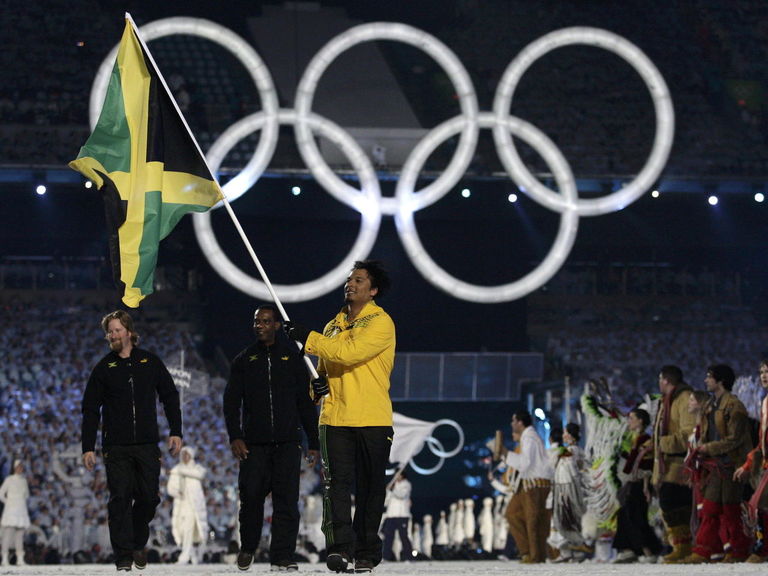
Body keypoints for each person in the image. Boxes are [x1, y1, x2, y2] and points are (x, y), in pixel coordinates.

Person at [285, 260, 395, 574]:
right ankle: (338, 550)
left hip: (372, 417)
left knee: (371, 487)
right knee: (335, 487)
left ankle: (366, 553)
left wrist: (309, 337)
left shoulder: (381, 323)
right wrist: (315, 388)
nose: (350, 284)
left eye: (359, 280)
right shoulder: (333, 326)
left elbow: (349, 354)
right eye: (349, 280)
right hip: (334, 419)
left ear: (372, 290)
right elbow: (321, 372)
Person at [81, 310, 183, 572]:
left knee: (149, 497)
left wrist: (176, 430)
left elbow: (170, 395)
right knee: (120, 499)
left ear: (128, 331)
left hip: (148, 444)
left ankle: (138, 541)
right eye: (109, 331)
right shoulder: (104, 367)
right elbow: (90, 408)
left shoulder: (150, 362)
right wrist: (88, 447)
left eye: (116, 330)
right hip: (115, 446)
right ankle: (123, 555)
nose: (112, 335)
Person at [223, 304, 320, 572]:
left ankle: (282, 556)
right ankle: (249, 546)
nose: (260, 326)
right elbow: (231, 403)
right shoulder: (243, 360)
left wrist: (314, 442)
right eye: (257, 321)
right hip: (254, 445)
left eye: (266, 321)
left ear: (277, 325)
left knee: (287, 502)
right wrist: (235, 436)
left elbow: (305, 403)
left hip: (288, 444)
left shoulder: (293, 358)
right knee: (251, 497)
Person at [684, 364, 752, 563]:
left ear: (720, 380)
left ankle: (738, 550)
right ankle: (703, 551)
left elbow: (735, 439)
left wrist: (708, 448)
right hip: (715, 466)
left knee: (730, 511)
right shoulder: (711, 406)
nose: (706, 380)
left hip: (732, 466)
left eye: (709, 377)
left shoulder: (734, 406)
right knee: (710, 509)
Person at [651, 365, 696, 563]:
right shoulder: (669, 400)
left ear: (665, 380)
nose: (659, 384)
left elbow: (690, 432)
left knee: (674, 502)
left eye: (660, 380)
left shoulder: (684, 398)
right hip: (669, 462)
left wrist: (665, 443)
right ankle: (680, 545)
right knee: (672, 502)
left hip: (681, 461)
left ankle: (684, 545)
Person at [502, 410, 554, 564]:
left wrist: (506, 454)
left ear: (520, 422)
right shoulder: (528, 436)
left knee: (533, 521)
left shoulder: (530, 437)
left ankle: (535, 555)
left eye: (513, 421)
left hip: (535, 484)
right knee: (513, 514)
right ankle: (527, 552)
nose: (512, 424)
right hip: (528, 484)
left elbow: (525, 464)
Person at [612, 408, 662, 563]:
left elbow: (646, 466)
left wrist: (647, 486)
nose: (629, 421)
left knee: (636, 516)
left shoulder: (646, 440)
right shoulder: (636, 439)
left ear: (640, 420)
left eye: (632, 418)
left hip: (640, 485)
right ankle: (628, 549)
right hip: (633, 483)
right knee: (625, 515)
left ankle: (649, 550)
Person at [735, 359, 768, 563]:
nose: (764, 375)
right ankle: (762, 547)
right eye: (762, 371)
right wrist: (748, 464)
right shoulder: (765, 402)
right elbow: (762, 441)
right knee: (759, 504)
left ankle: (762, 549)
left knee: (759, 503)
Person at [549, 423, 589, 563]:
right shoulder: (567, 450)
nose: (563, 435)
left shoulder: (575, 450)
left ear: (571, 435)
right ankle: (567, 552)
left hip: (569, 488)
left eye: (566, 432)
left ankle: (577, 549)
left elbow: (578, 468)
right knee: (562, 519)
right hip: (561, 487)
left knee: (570, 518)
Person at [167, 446, 208, 565]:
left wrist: (179, 471)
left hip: (196, 506)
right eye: (183, 455)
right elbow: (170, 488)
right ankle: (187, 555)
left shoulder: (197, 468)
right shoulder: (177, 469)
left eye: (187, 454)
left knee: (197, 532)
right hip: (183, 505)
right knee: (185, 530)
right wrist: (177, 492)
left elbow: (200, 475)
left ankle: (191, 555)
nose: (185, 457)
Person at [0, 459, 30, 566]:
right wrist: (9, 502)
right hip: (11, 510)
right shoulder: (9, 479)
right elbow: (1, 494)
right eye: (18, 467)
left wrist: (19, 502)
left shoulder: (24, 480)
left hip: (21, 509)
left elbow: (26, 495)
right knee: (7, 535)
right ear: (14, 468)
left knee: (20, 535)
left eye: (21, 467)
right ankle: (4, 558)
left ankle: (20, 559)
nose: (19, 469)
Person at [381, 470, 413, 562]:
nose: (396, 477)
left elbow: (401, 495)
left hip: (402, 515)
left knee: (403, 536)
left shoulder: (406, 484)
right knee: (388, 537)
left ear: (402, 475)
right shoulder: (392, 485)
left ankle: (409, 557)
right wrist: (387, 491)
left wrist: (392, 489)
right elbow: (386, 501)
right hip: (391, 515)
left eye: (398, 475)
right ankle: (386, 557)